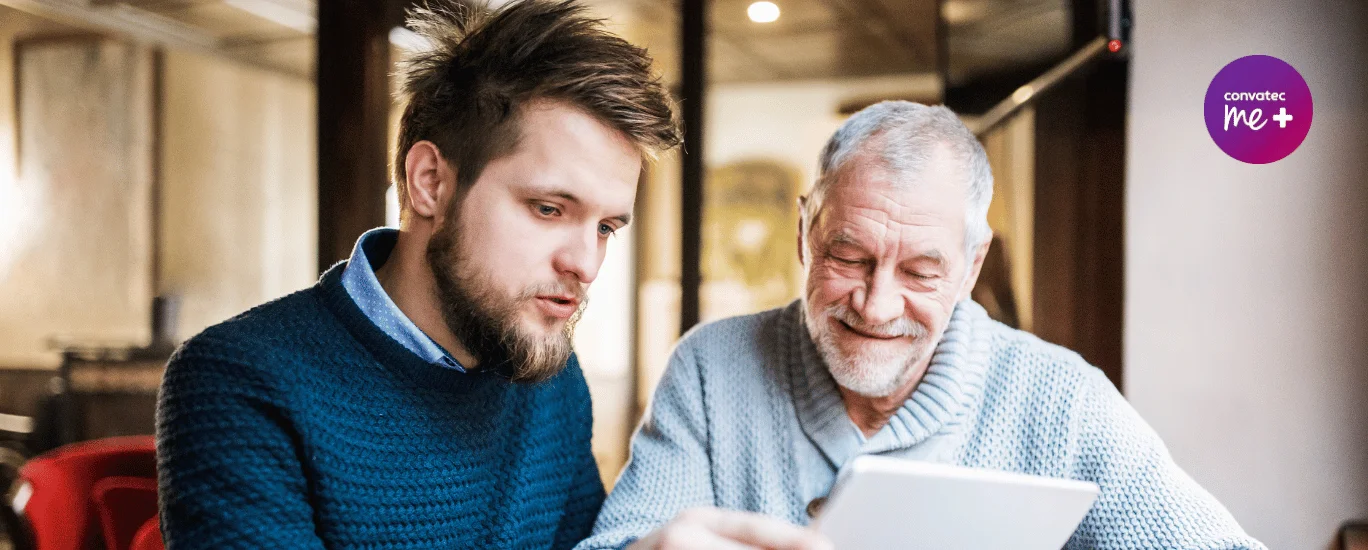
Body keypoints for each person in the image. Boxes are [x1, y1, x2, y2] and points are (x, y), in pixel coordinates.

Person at [578, 101, 1267, 549]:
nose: (875, 307)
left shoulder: (1060, 400)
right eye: (848, 257)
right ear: (803, 234)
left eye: (920, 274)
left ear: (972, 266)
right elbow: (618, 543)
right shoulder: (711, 368)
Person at [154, 1, 685, 547]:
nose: (587, 264)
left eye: (606, 228)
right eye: (549, 209)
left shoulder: (552, 379)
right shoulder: (240, 379)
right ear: (430, 182)